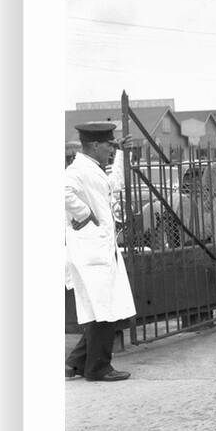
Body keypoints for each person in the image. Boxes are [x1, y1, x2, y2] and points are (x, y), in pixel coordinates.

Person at [65, 122, 136, 382]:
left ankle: (75, 363)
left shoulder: (92, 169)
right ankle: (98, 368)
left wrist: (121, 155)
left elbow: (113, 183)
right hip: (91, 252)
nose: (111, 149)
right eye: (110, 145)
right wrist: (84, 214)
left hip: (99, 250)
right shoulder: (77, 171)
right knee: (104, 308)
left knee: (101, 308)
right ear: (95, 145)